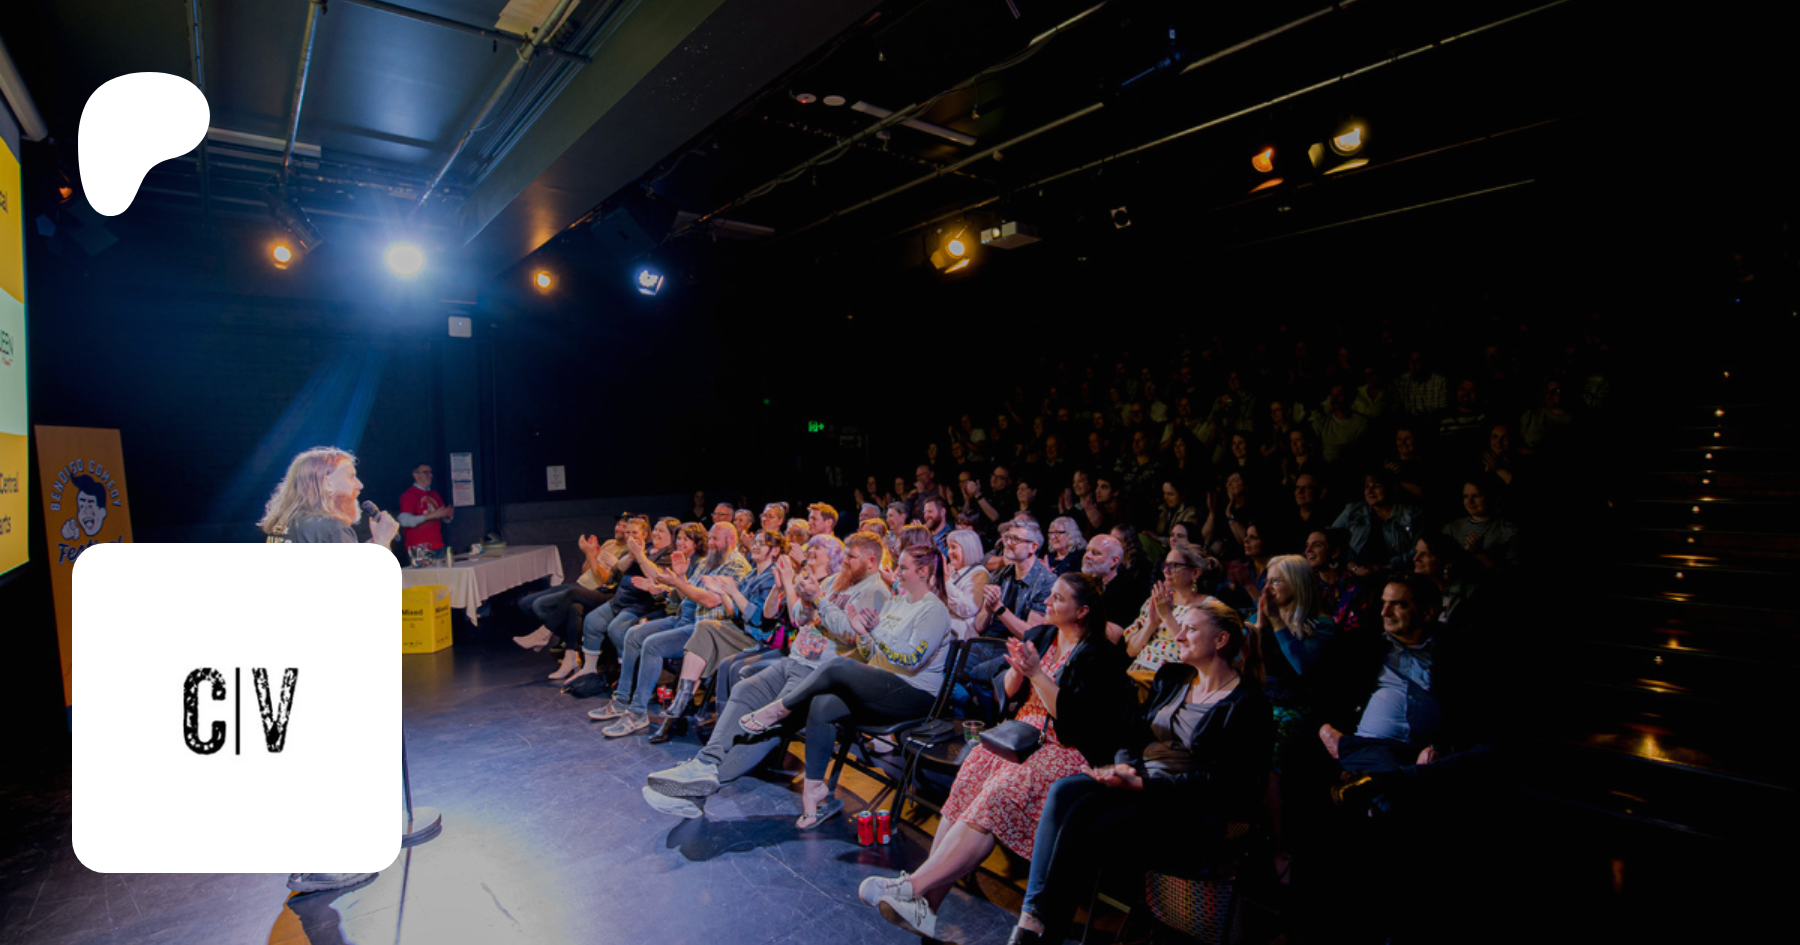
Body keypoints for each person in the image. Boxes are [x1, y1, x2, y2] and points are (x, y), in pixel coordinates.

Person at [857, 573, 1133, 938]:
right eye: (1049, 595)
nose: (1047, 602)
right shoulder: (1042, 636)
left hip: (1063, 748)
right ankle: (926, 904)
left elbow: (1072, 720)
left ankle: (913, 888)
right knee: (972, 771)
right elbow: (1006, 691)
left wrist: (1037, 674)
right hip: (1020, 734)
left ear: (1081, 611)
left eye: (1057, 598)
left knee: (998, 794)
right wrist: (1018, 674)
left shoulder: (1098, 656)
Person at [1006, 600, 1272, 945]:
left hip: (1188, 807)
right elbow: (1132, 734)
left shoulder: (1248, 704)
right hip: (1142, 782)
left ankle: (1043, 929)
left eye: (1190, 629)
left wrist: (1144, 784)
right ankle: (1034, 920)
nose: (1179, 636)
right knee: (1066, 790)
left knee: (1087, 818)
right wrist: (1122, 765)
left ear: (1220, 640)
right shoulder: (1173, 677)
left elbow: (1224, 784)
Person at [641, 534, 888, 818]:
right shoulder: (835, 581)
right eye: (845, 555)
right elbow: (799, 618)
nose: (844, 561)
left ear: (871, 561)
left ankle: (705, 784)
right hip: (796, 659)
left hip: (821, 674)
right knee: (745, 689)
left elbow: (850, 633)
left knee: (772, 723)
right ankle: (705, 763)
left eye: (852, 557)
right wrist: (805, 599)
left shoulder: (875, 592)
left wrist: (818, 600)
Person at [257, 446, 397, 896]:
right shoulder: (327, 527)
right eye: (350, 476)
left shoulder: (286, 524)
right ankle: (320, 865)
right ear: (324, 482)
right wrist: (382, 545)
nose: (359, 485)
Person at [735, 545, 954, 827]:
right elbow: (872, 651)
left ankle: (780, 709)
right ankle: (814, 792)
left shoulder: (934, 610)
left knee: (838, 666)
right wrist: (863, 634)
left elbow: (911, 660)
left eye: (904, 568)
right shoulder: (898, 601)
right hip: (883, 687)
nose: (897, 572)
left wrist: (876, 630)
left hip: (915, 695)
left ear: (923, 572)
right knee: (823, 703)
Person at [590, 522, 750, 737]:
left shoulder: (736, 565)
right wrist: (681, 578)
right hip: (684, 617)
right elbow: (686, 596)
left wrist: (677, 582)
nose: (710, 543)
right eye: (710, 538)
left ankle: (637, 713)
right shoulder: (707, 562)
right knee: (633, 635)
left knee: (652, 645)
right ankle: (621, 700)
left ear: (731, 540)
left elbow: (711, 600)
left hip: (705, 629)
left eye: (715, 539)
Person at [649, 529, 789, 742]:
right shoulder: (752, 574)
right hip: (739, 632)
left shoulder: (772, 577)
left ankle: (679, 709)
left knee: (706, 629)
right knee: (704, 634)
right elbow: (733, 612)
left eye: (762, 544)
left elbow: (759, 619)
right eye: (755, 542)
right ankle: (679, 709)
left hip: (759, 641)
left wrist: (733, 592)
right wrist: (723, 593)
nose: (755, 546)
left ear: (775, 551)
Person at [562, 516, 671, 688]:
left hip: (640, 605)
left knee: (617, 629)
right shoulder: (647, 547)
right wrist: (632, 554)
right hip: (621, 599)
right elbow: (619, 567)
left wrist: (639, 555)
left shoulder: (667, 555)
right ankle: (589, 669)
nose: (656, 533)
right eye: (655, 529)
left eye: (661, 530)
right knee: (592, 621)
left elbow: (657, 576)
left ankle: (627, 676)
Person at [1123, 541, 1217, 670]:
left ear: (1195, 572)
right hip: (1138, 672)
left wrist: (1167, 617)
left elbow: (1194, 654)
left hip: (1173, 676)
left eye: (1174, 566)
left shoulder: (1209, 608)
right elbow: (1131, 651)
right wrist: (1151, 624)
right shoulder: (1159, 599)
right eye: (1165, 565)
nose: (1166, 571)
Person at [974, 519, 1057, 639]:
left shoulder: (1046, 582)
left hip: (1016, 647)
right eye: (1007, 538)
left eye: (1015, 539)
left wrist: (999, 608)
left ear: (1033, 547)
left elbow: (1031, 635)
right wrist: (988, 609)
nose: (1008, 543)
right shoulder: (1000, 574)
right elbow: (979, 627)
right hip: (987, 642)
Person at [1332, 469, 1426, 573]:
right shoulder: (1353, 511)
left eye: (1376, 486)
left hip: (1397, 572)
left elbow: (1419, 550)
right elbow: (1331, 537)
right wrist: (1352, 565)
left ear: (1392, 487)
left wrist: (1388, 567)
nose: (1370, 491)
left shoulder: (1411, 515)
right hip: (1355, 573)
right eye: (1366, 487)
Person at [1442, 475, 1522, 573]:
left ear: (1494, 497)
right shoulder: (1451, 528)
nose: (1469, 501)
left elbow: (1512, 574)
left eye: (1476, 496)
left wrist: (1479, 554)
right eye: (1465, 496)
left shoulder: (1509, 530)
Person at [943, 529, 990, 641]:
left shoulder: (979, 574)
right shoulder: (951, 570)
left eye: (954, 548)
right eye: (949, 547)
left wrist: (946, 581)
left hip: (960, 635)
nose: (949, 552)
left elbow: (967, 609)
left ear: (968, 550)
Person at [396, 462, 451, 554]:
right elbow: (404, 521)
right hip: (419, 548)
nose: (430, 475)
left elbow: (444, 518)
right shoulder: (409, 495)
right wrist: (431, 516)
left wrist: (447, 515)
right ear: (416, 475)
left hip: (438, 545)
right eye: (426, 472)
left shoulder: (434, 494)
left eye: (430, 472)